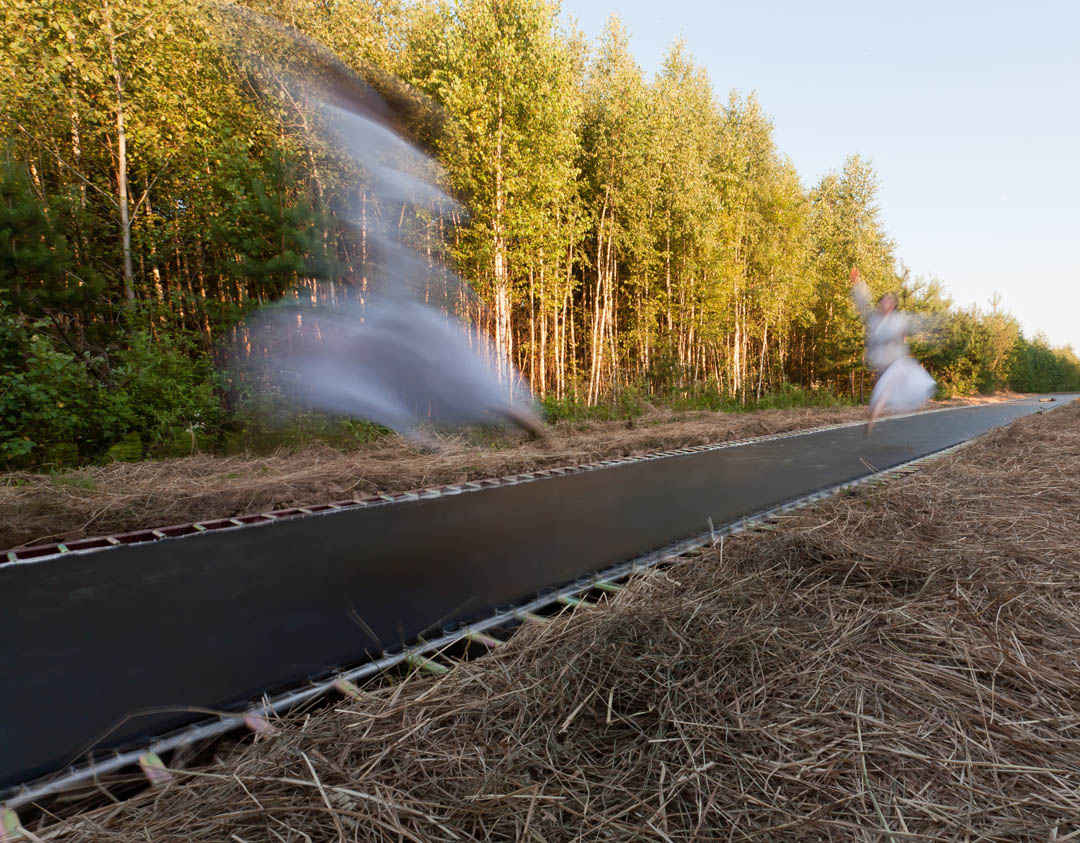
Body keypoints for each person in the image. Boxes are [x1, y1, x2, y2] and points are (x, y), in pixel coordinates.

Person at [850, 267, 935, 435]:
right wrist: (857, 283)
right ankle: (874, 414)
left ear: (893, 306)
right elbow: (863, 303)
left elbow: (906, 331)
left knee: (892, 385)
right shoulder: (874, 318)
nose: (884, 304)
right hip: (882, 360)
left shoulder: (898, 319)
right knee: (883, 388)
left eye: (888, 302)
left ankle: (873, 417)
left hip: (895, 359)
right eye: (882, 301)